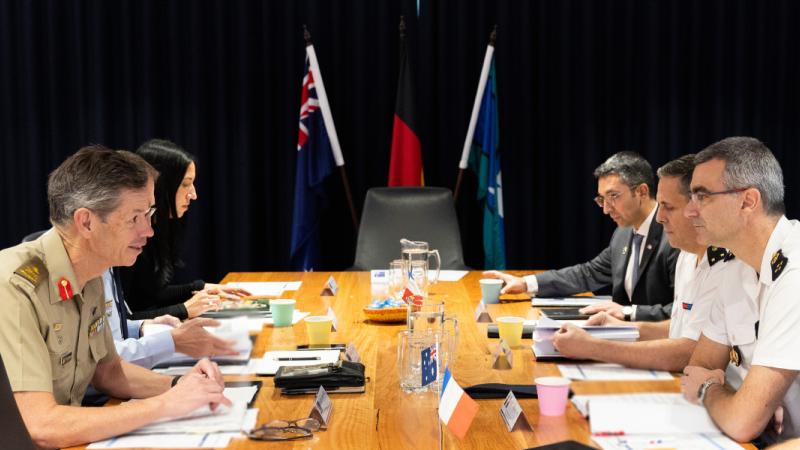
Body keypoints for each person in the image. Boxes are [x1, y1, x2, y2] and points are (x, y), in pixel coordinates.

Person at [0, 146, 230, 448]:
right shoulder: (13, 286)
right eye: (135, 218)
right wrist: (166, 404)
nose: (148, 230)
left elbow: (108, 372)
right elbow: (40, 425)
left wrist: (181, 385)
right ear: (86, 223)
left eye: (149, 214)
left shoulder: (91, 270)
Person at [552, 155, 735, 371]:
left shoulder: (726, 260)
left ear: (697, 206)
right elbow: (679, 326)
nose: (659, 217)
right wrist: (624, 328)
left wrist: (594, 347)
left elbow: (691, 352)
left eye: (668, 207)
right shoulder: (687, 254)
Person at [679, 137, 800, 444]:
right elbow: (699, 367)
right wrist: (741, 396)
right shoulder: (737, 268)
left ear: (748, 201)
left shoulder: (795, 271)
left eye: (701, 196)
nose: (689, 211)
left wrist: (710, 389)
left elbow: (742, 421)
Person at [485, 151, 679, 321]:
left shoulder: (674, 237)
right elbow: (588, 273)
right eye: (601, 199)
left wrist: (628, 312)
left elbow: (682, 311)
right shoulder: (623, 233)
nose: (605, 209)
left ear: (642, 191)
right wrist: (526, 283)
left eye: (613, 196)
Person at [117, 139, 248, 320]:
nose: (193, 194)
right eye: (185, 184)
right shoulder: (127, 237)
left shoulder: (162, 227)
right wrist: (184, 309)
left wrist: (202, 288)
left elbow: (151, 293)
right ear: (160, 185)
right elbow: (122, 321)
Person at [103, 268, 237, 368]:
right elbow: (105, 364)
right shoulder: (95, 273)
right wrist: (172, 341)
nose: (149, 233)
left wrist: (142, 326)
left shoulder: (107, 271)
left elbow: (115, 326)